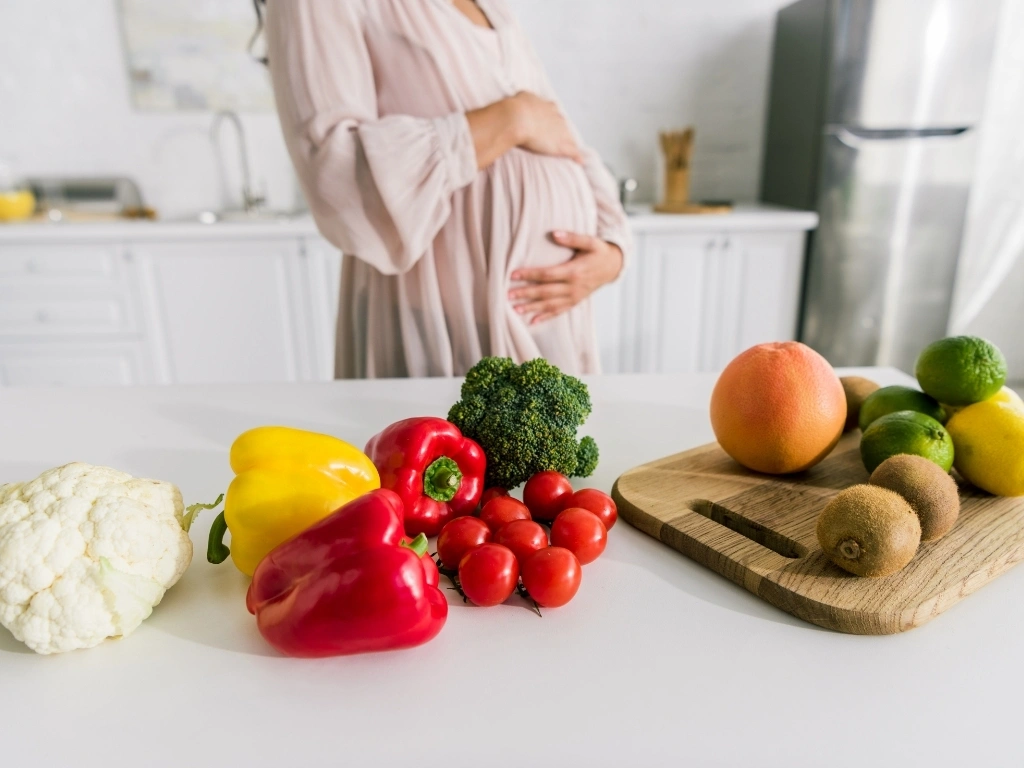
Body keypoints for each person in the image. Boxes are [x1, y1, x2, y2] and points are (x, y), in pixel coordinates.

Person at [264, 0, 632, 378]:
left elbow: (560, 133)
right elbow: (332, 170)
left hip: (551, 322)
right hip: (432, 320)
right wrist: (510, 118)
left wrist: (613, 248)